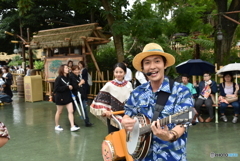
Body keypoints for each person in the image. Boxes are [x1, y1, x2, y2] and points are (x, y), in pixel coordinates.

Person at [121, 43, 193, 161]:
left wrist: (169, 135)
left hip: (171, 156)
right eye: (147, 63)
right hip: (142, 156)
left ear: (164, 65)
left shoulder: (181, 91)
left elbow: (182, 124)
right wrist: (125, 120)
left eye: (157, 61)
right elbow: (128, 113)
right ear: (143, 69)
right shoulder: (137, 92)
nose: (152, 66)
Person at [90, 62, 133, 134]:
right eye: (116, 72)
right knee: (114, 136)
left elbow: (132, 100)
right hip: (113, 117)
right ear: (113, 72)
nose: (118, 74)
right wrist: (104, 111)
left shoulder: (129, 84)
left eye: (121, 72)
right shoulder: (109, 85)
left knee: (126, 137)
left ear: (125, 73)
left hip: (127, 116)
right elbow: (100, 99)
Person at [53, 64, 80, 132]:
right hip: (60, 97)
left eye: (67, 68)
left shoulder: (69, 77)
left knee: (71, 111)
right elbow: (56, 89)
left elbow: (73, 84)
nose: (67, 69)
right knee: (59, 112)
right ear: (62, 69)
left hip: (68, 96)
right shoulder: (59, 78)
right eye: (65, 68)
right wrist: (67, 87)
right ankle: (57, 125)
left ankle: (72, 126)